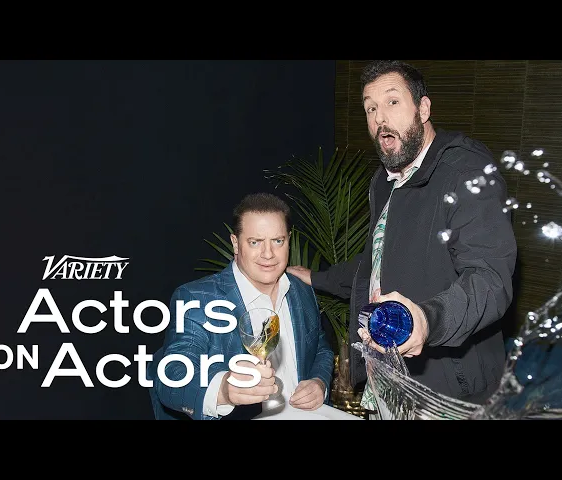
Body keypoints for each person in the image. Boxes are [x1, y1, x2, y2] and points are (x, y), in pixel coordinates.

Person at [287, 60, 518, 417]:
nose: (380, 118)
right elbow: (375, 264)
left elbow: (490, 281)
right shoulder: (385, 180)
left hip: (445, 394)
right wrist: (316, 278)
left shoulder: (465, 173)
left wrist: (427, 319)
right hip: (389, 383)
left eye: (392, 102)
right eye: (370, 108)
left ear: (423, 109)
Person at [147, 192, 335, 420]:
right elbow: (172, 375)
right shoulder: (196, 298)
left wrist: (319, 382)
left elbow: (320, 347)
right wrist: (223, 390)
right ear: (235, 243)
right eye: (255, 242)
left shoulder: (301, 290)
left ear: (288, 240)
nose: (268, 254)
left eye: (278, 241)